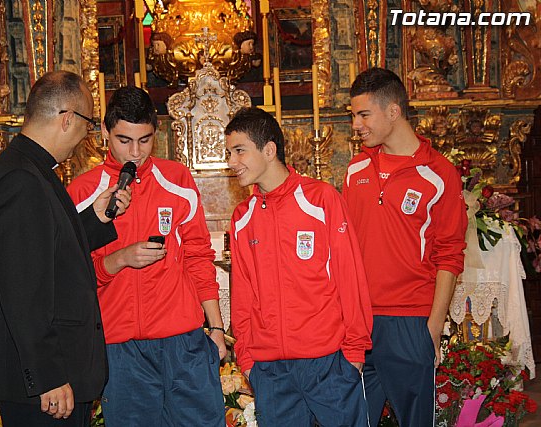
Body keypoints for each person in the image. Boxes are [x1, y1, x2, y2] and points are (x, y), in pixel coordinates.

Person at [67, 86, 227, 426]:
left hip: (183, 342)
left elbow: (198, 255)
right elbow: (69, 276)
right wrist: (119, 259)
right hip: (121, 348)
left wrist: (215, 326)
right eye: (124, 140)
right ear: (105, 133)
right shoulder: (82, 192)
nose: (135, 152)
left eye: (145, 140)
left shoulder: (177, 180)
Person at [0, 70, 131, 426]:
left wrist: (95, 218)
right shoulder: (21, 180)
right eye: (87, 125)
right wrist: (47, 375)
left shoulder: (32, 171)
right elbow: (23, 290)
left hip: (56, 379)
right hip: (47, 389)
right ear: (67, 119)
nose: (85, 137)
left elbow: (49, 251)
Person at [225, 107, 373, 427]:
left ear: (268, 149)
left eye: (239, 151)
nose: (231, 162)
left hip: (328, 364)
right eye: (229, 153)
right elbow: (243, 296)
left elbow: (350, 278)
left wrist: (354, 353)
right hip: (271, 372)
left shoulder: (320, 199)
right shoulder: (242, 218)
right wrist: (248, 359)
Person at [342, 67, 467, 426]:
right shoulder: (356, 169)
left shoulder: (439, 173)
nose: (356, 124)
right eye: (353, 115)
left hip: (410, 320)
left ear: (393, 111)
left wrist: (433, 327)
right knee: (352, 418)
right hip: (360, 321)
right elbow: (344, 247)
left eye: (363, 114)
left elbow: (450, 254)